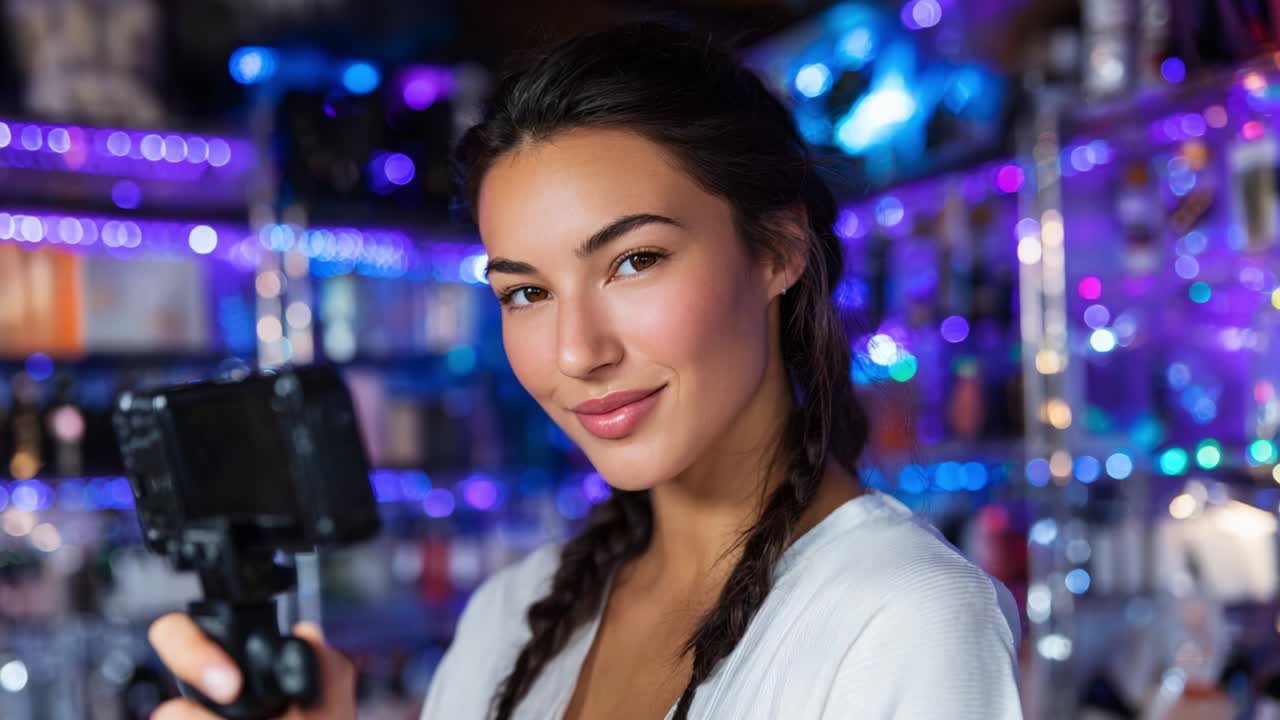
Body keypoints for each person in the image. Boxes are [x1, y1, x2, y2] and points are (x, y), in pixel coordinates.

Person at [148, 22, 1022, 720]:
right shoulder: (510, 615)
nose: (577, 352)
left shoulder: (900, 618)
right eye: (526, 292)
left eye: (635, 262)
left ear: (779, 249)